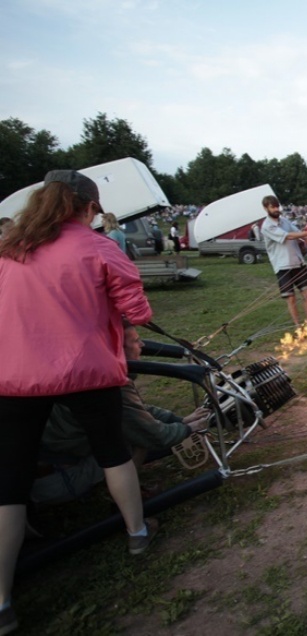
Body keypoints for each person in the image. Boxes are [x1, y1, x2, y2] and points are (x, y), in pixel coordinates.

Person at [0, 170, 157, 634]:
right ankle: (137, 534)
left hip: (15, 377)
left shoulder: (9, 249)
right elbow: (137, 309)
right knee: (113, 452)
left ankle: (2, 600)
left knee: (9, 482)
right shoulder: (97, 246)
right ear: (88, 207)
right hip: (85, 370)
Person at [32, 324, 211, 505]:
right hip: (51, 481)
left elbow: (134, 411)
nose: (142, 345)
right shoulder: (109, 384)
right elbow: (152, 434)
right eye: (136, 341)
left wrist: (179, 420)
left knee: (127, 431)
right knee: (133, 441)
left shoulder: (88, 370)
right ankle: (126, 500)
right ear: (118, 350)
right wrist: (188, 428)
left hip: (51, 455)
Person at [260, 195, 307, 327]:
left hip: (298, 262)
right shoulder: (267, 226)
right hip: (282, 266)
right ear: (266, 208)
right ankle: (298, 326)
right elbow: (288, 236)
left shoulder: (284, 221)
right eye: (272, 207)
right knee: (291, 298)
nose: (276, 209)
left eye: (277, 206)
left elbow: (297, 232)